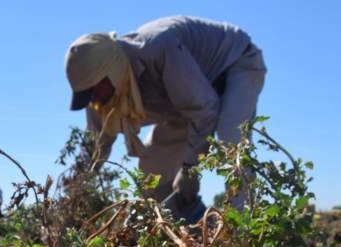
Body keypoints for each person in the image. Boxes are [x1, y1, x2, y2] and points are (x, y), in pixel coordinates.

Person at [64, 16, 266, 222]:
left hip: (233, 64)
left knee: (232, 143)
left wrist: (190, 172)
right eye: (87, 95)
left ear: (110, 69)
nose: (94, 99)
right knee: (152, 172)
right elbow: (95, 148)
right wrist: (75, 194)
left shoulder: (157, 47)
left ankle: (240, 236)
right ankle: (194, 228)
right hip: (184, 103)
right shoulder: (101, 98)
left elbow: (204, 109)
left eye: (94, 91)